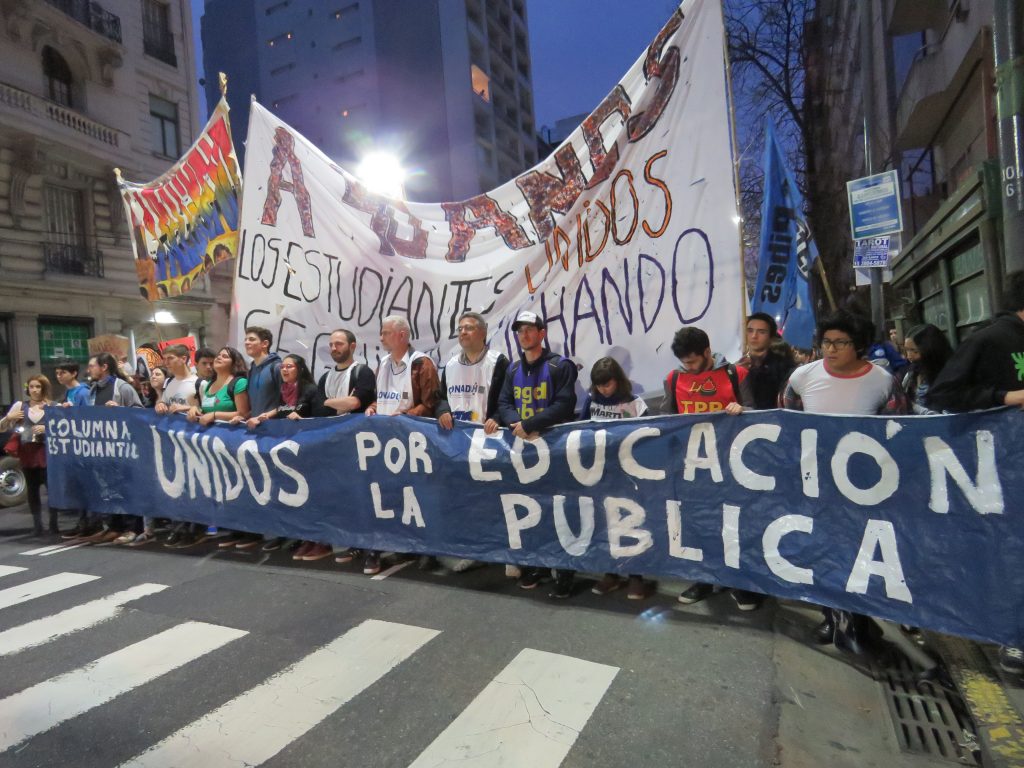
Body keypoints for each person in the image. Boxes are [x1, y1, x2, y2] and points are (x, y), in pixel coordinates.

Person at [782, 310, 908, 654]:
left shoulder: (882, 380)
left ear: (859, 346)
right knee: (821, 548)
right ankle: (830, 616)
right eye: (826, 342)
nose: (831, 349)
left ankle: (860, 621)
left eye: (840, 342)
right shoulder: (800, 377)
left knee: (862, 553)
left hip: (865, 487)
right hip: (817, 484)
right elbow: (785, 423)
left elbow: (900, 428)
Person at [925, 271, 1024, 674]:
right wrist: (1005, 397)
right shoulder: (990, 339)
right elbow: (942, 394)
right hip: (1004, 470)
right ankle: (1014, 638)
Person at [665, 327, 757, 609]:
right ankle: (704, 577)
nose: (688, 367)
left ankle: (738, 582)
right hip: (694, 467)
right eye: (684, 362)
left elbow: (757, 414)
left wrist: (742, 411)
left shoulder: (735, 375)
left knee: (734, 523)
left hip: (732, 465)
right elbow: (669, 419)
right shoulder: (674, 377)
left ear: (707, 352)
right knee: (699, 522)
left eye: (692, 361)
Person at [492, 310, 579, 598]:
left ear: (542, 333)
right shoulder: (514, 369)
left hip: (554, 449)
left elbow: (565, 405)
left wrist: (530, 424)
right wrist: (516, 423)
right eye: (520, 331)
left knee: (559, 509)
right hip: (523, 450)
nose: (524, 335)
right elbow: (504, 401)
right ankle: (539, 563)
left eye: (530, 329)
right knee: (532, 508)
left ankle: (564, 571)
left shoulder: (560, 366)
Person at [364, 315, 440, 576]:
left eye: (385, 333)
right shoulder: (383, 364)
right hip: (384, 442)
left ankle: (425, 548)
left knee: (417, 496)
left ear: (402, 336)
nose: (381, 337)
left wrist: (408, 417)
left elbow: (430, 404)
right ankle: (383, 545)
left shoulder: (422, 364)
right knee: (386, 494)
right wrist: (372, 409)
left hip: (413, 442)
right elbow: (379, 399)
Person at [436, 311, 510, 573]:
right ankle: (473, 549)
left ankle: (505, 552)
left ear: (482, 333)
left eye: (468, 328)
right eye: (460, 328)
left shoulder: (497, 361)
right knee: (467, 500)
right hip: (458, 444)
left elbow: (506, 398)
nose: (462, 332)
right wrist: (442, 410)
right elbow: (441, 397)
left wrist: (498, 417)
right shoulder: (451, 364)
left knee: (495, 499)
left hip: (489, 442)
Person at [247, 354, 329, 560]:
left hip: (308, 452)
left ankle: (321, 541)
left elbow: (322, 418)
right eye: (282, 367)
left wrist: (303, 420)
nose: (284, 370)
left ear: (299, 369)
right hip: (288, 454)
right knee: (296, 497)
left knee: (314, 498)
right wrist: (265, 416)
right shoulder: (283, 391)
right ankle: (304, 538)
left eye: (289, 367)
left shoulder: (310, 390)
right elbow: (282, 410)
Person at [581, 357, 649, 600]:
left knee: (631, 522)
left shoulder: (633, 404)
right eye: (599, 386)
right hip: (601, 473)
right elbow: (580, 431)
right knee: (604, 522)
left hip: (628, 474)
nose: (603, 390)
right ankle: (611, 572)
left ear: (618, 381)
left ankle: (636, 575)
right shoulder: (591, 400)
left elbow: (648, 437)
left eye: (607, 385)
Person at [310, 328, 377, 563]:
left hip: (358, 446)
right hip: (332, 445)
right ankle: (342, 539)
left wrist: (330, 401)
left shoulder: (363, 372)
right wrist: (338, 403)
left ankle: (367, 545)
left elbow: (355, 402)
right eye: (331, 344)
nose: (334, 348)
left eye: (339, 343)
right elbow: (319, 409)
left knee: (362, 495)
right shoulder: (325, 377)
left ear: (352, 346)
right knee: (339, 495)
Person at [186, 347, 253, 549]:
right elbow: (204, 409)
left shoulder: (238, 383)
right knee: (223, 486)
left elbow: (243, 412)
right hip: (213, 447)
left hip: (233, 443)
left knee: (239, 486)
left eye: (225, 356)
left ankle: (249, 531)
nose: (219, 358)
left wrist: (215, 416)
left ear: (234, 362)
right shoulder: (208, 386)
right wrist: (194, 408)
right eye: (219, 355)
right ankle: (232, 529)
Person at [1, 376, 54, 537]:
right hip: (28, 452)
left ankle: (54, 523)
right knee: (32, 491)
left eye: (38, 386)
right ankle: (37, 525)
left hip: (47, 453)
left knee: (52, 491)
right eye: (32, 387)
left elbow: (65, 427)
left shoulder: (52, 406)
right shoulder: (20, 406)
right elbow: (2, 427)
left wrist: (46, 429)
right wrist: (9, 418)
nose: (35, 390)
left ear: (44, 388)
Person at [737, 312, 796, 411]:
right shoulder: (736, 368)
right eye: (750, 331)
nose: (754, 336)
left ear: (771, 337)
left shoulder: (784, 366)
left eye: (761, 332)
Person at [901, 324, 953, 414]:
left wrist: (913, 407)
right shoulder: (912, 373)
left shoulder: (950, 376)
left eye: (915, 351)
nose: (909, 356)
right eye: (906, 350)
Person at [243, 326, 283, 423]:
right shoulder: (251, 370)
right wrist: (244, 417)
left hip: (276, 429)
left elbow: (289, 403)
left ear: (265, 344)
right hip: (257, 429)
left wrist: (267, 416)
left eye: (251, 339)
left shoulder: (278, 367)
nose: (246, 342)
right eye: (245, 340)